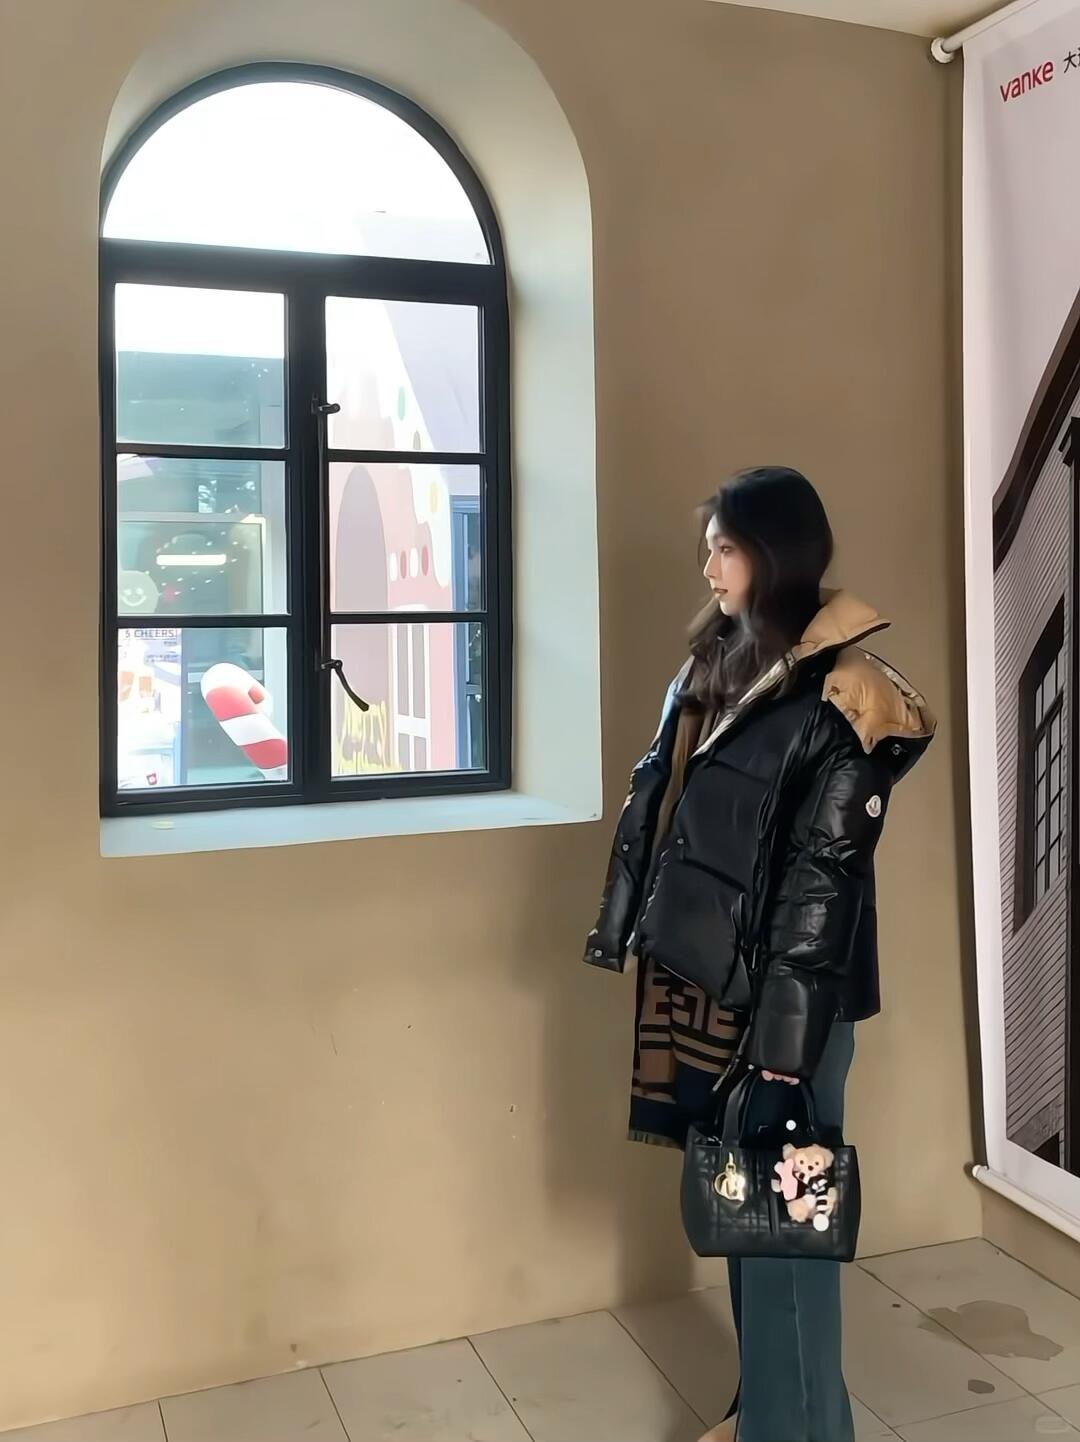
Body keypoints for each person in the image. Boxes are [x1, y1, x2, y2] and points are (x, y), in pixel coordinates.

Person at [583, 467, 934, 1442]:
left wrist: (783, 1051)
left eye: (726, 548)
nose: (708, 566)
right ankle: (765, 1419)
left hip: (790, 1013)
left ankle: (802, 1429)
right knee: (752, 1225)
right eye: (709, 547)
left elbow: (823, 888)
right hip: (715, 989)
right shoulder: (722, 666)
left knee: (789, 1251)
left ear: (775, 556)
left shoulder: (846, 698)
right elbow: (668, 810)